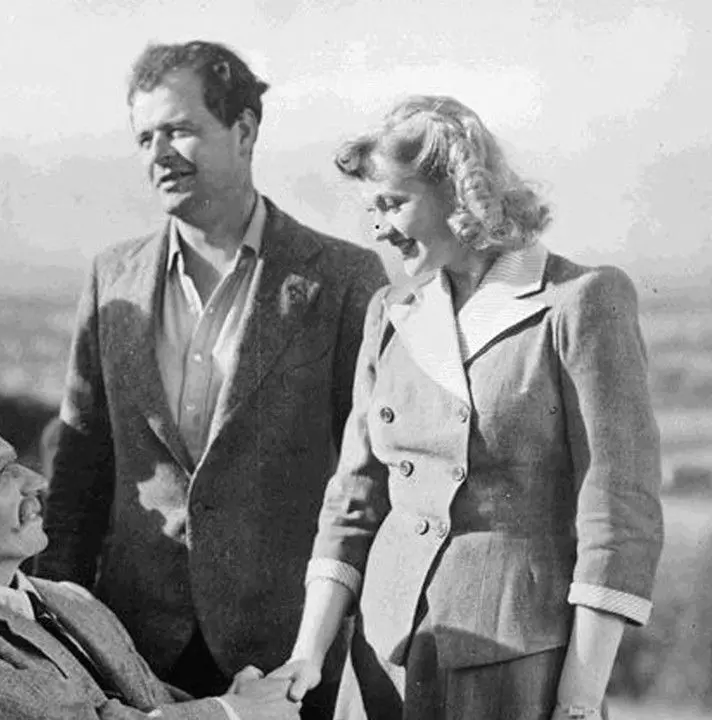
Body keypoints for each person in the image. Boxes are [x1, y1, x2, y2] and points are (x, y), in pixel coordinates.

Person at [272, 96, 665, 720]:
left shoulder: (580, 302)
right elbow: (353, 501)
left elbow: (619, 513)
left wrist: (580, 700)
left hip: (515, 668)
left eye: (392, 203)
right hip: (381, 659)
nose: (377, 229)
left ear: (459, 194)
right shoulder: (389, 315)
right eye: (371, 208)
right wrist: (308, 654)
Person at [39, 40, 387, 719]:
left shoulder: (344, 281)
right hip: (133, 648)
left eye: (180, 130)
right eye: (145, 137)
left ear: (246, 130)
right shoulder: (113, 278)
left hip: (291, 657)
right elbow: (80, 470)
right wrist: (59, 626)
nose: (158, 153)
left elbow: (368, 483)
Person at [0, 376, 303, 720]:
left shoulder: (70, 601)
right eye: (2, 472)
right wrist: (234, 713)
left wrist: (246, 699)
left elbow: (157, 705)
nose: (35, 481)